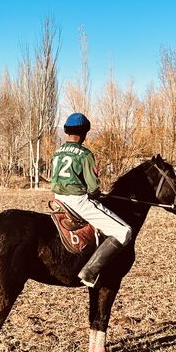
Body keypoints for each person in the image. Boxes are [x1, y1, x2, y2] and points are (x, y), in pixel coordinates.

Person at [51, 113, 132, 287]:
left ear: (66, 130)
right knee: (124, 231)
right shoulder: (85, 154)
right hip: (77, 201)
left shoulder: (58, 151)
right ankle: (89, 272)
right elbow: (93, 187)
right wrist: (95, 193)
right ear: (85, 132)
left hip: (58, 199)